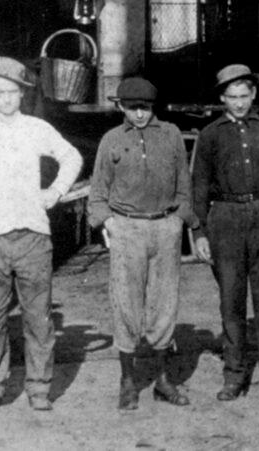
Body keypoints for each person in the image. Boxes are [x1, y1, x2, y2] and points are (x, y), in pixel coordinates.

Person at [0, 57, 82, 412]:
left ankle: (39, 386)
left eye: (13, 92)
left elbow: (71, 157)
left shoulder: (36, 129)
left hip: (32, 237)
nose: (6, 99)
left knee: (38, 317)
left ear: (23, 95)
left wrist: (54, 192)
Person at [192, 64, 259, 406]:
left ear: (253, 94)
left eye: (244, 96)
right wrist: (201, 232)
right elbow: (199, 186)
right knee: (231, 303)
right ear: (222, 98)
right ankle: (234, 376)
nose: (239, 103)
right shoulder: (210, 135)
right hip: (225, 219)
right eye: (232, 97)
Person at [88, 77, 193, 410]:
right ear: (121, 107)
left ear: (153, 107)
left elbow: (184, 186)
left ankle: (163, 380)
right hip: (127, 229)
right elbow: (98, 193)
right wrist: (109, 222)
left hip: (164, 227)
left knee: (165, 304)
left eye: (145, 108)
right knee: (126, 304)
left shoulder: (172, 135)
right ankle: (128, 380)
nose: (139, 115)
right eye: (132, 108)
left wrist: (178, 220)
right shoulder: (111, 140)